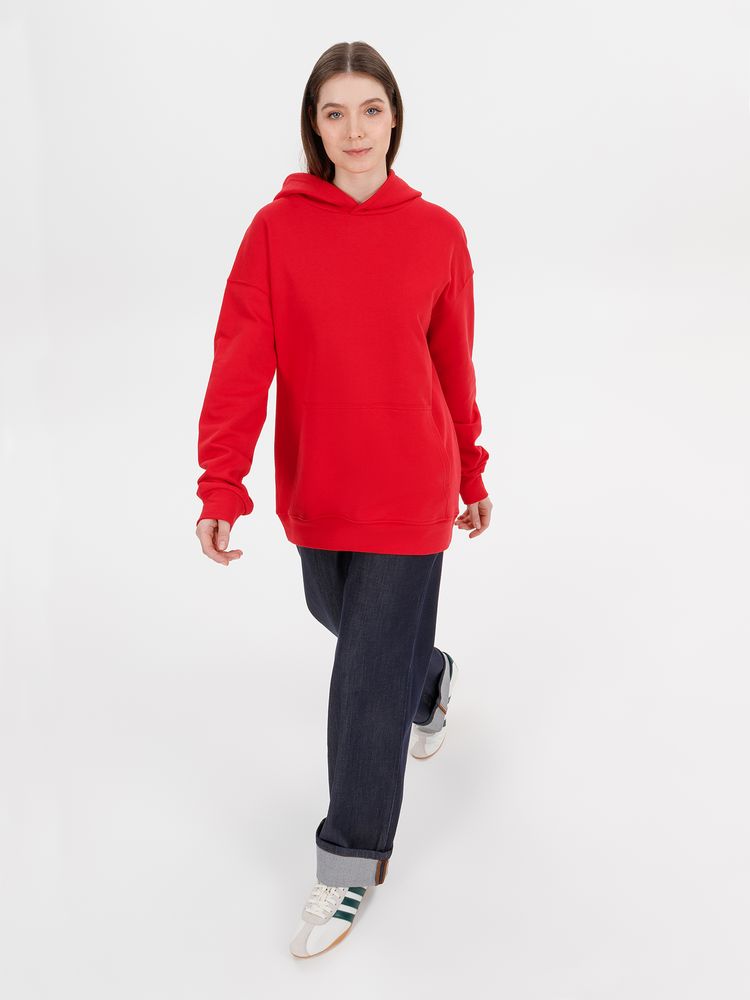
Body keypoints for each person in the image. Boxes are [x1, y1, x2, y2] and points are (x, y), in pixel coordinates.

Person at [194, 41, 492, 959]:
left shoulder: (437, 232)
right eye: (335, 113)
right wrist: (221, 480)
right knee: (345, 619)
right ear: (314, 126)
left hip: (413, 481)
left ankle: (349, 862)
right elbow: (241, 360)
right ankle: (427, 677)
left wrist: (471, 469)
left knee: (363, 674)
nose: (354, 130)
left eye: (370, 110)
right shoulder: (276, 231)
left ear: (394, 118)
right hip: (319, 483)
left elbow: (453, 363)